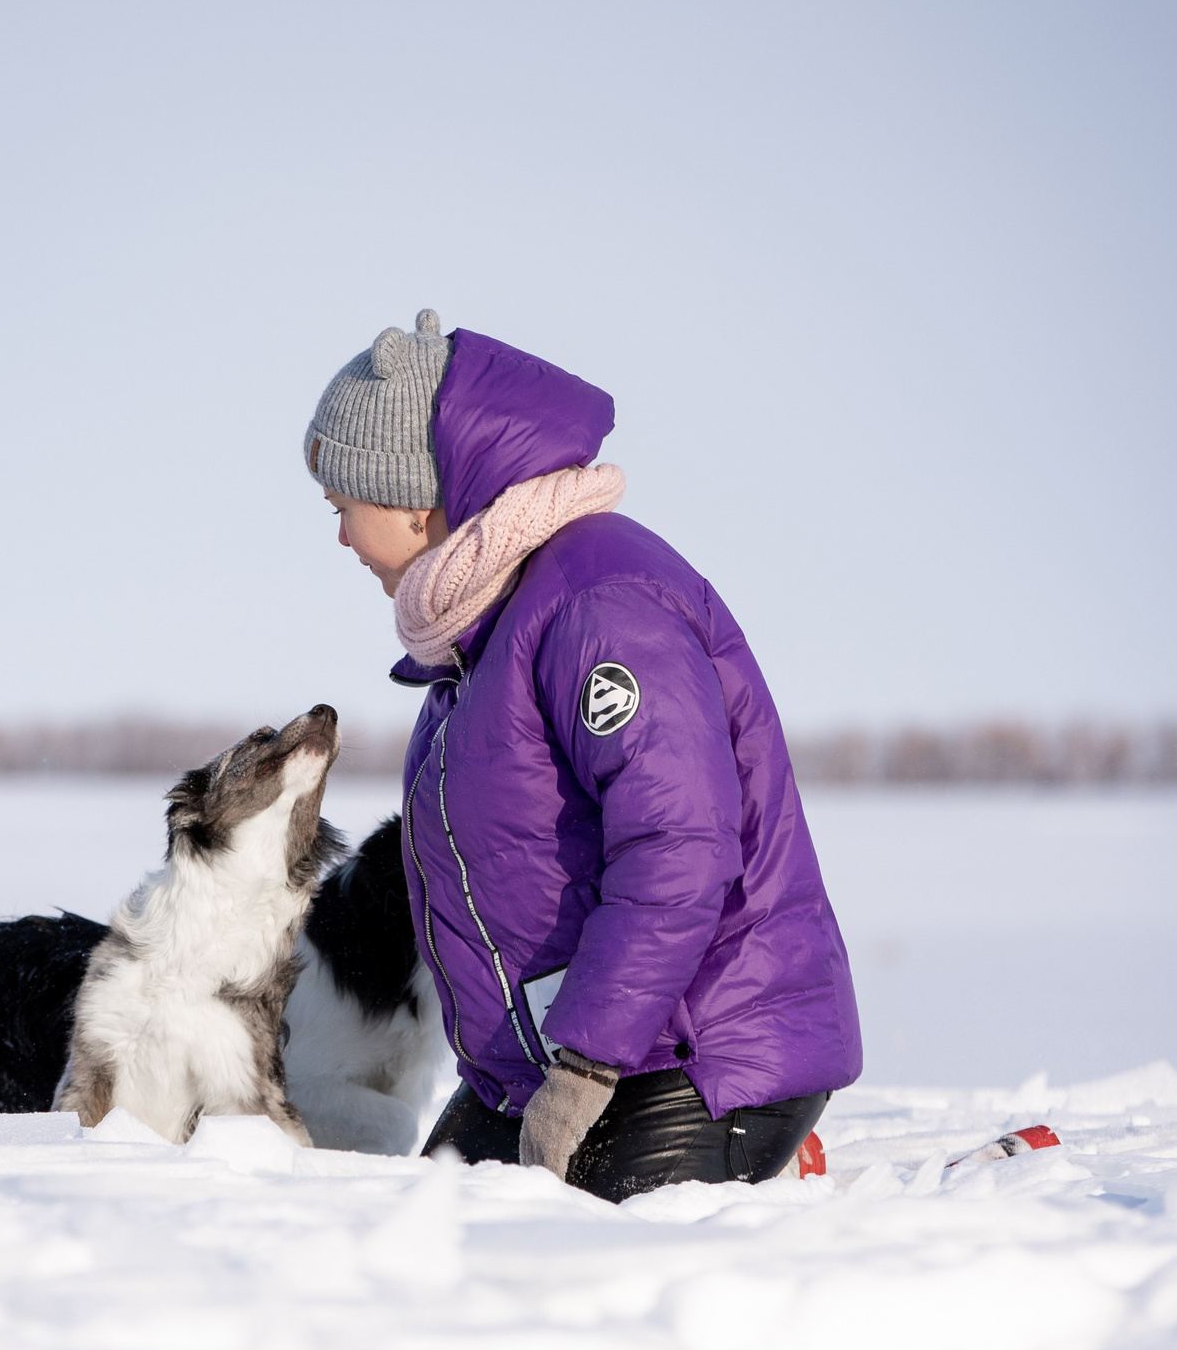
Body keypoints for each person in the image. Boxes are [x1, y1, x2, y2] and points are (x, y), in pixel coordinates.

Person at [304, 310, 859, 1201]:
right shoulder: (479, 634)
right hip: (561, 1060)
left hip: (692, 1057)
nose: (339, 537)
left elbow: (677, 845)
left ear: (412, 498)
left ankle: (772, 1167)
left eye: (344, 507)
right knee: (418, 1229)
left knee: (533, 1259)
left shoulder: (597, 603)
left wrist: (586, 1068)